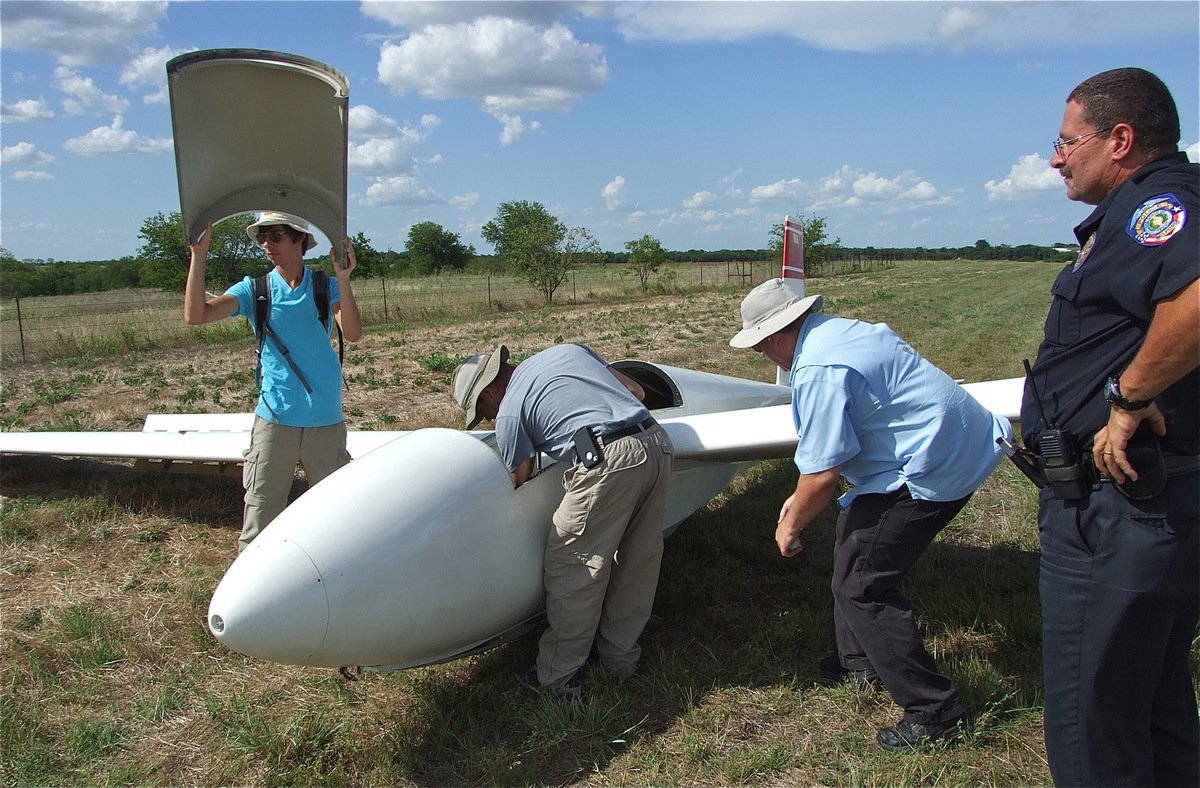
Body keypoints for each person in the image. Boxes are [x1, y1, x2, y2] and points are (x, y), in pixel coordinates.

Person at [729, 277, 1011, 751]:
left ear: (777, 334)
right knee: (854, 536)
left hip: (931, 469)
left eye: (760, 346)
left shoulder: (818, 367)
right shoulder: (842, 331)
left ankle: (935, 712)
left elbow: (822, 475)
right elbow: (823, 467)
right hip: (963, 443)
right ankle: (858, 660)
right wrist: (800, 500)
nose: (764, 355)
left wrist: (790, 524)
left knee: (862, 587)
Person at [1021, 67, 1198, 787]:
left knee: (1088, 709)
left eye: (1067, 141)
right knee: (1150, 696)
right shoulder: (1146, 207)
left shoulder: (1158, 206)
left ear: (1119, 139)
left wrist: (1127, 398)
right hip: (1150, 501)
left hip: (1117, 507)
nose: (1056, 157)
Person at [451, 343, 674, 696]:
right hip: (657, 443)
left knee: (573, 563)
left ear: (490, 391)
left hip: (607, 458)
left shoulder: (509, 409)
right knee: (639, 559)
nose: (490, 419)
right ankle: (618, 660)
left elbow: (519, 477)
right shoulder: (569, 351)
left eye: (483, 410)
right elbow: (637, 391)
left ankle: (559, 676)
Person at [184, 211, 363, 551]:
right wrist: (199, 256)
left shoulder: (326, 287)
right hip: (275, 421)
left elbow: (352, 333)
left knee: (338, 519)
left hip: (325, 420)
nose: (267, 244)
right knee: (260, 522)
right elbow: (196, 315)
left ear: (300, 241)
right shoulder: (256, 290)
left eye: (276, 235)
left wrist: (345, 279)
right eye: (263, 237)